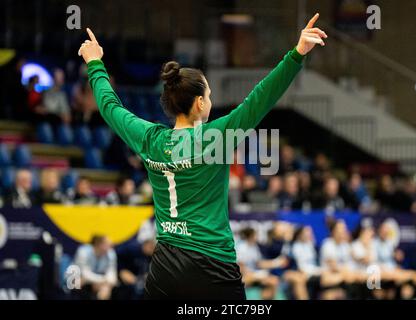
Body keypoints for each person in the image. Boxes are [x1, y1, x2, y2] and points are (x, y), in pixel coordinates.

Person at [77, 13, 327, 300]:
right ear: (199, 103)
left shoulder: (149, 139)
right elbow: (261, 98)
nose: (209, 100)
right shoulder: (215, 137)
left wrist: (95, 63)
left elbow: (110, 107)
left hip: (166, 267)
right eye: (208, 95)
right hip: (213, 264)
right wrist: (296, 55)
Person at [235, 227, 281, 300]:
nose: (257, 237)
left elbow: (259, 263)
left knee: (274, 280)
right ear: (251, 236)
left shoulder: (254, 247)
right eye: (255, 235)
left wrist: (276, 262)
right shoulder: (241, 247)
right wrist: (253, 275)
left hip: (255, 274)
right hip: (244, 275)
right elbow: (240, 266)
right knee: (246, 281)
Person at [73, 235, 117, 300]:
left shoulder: (111, 253)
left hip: (97, 280)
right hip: (79, 278)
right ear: (99, 244)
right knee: (79, 282)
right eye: (108, 245)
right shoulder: (83, 251)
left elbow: (112, 273)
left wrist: (107, 283)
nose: (110, 248)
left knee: (106, 288)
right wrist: (102, 280)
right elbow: (85, 274)